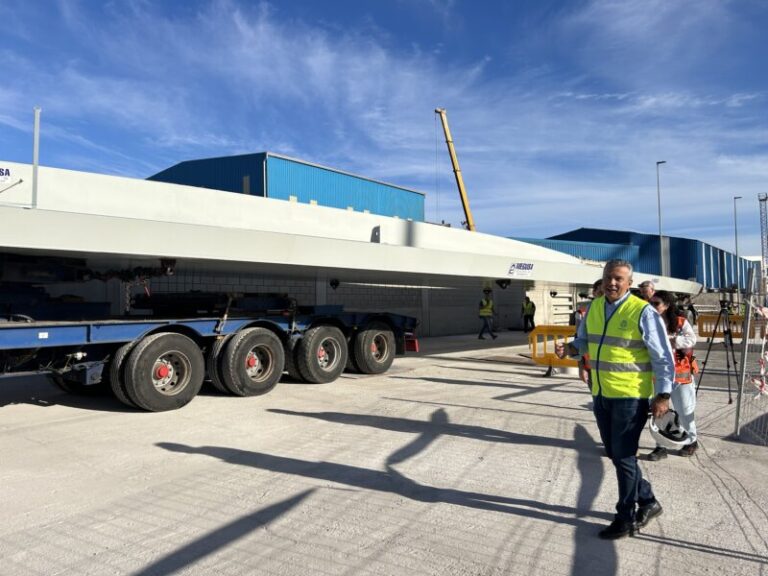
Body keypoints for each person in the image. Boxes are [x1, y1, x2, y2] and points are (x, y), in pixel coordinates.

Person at [555, 259, 675, 540]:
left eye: (619, 278)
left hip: (630, 397)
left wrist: (664, 395)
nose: (612, 282)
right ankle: (648, 501)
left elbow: (663, 358)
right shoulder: (594, 308)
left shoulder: (643, 312)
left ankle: (626, 516)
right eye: (609, 277)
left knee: (623, 457)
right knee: (617, 455)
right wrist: (569, 348)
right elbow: (583, 342)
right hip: (600, 393)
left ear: (629, 283)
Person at [647, 290, 699, 460]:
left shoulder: (680, 322)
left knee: (685, 411)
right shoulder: (647, 322)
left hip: (681, 376)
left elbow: (691, 340)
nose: (652, 307)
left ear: (667, 305)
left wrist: (671, 340)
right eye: (651, 303)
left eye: (656, 304)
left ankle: (691, 440)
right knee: (660, 411)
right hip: (658, 377)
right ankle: (660, 446)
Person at [575, 279, 604, 387]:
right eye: (601, 293)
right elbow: (578, 340)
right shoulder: (582, 312)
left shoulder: (618, 312)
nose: (604, 297)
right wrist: (581, 367)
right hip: (591, 368)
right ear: (594, 293)